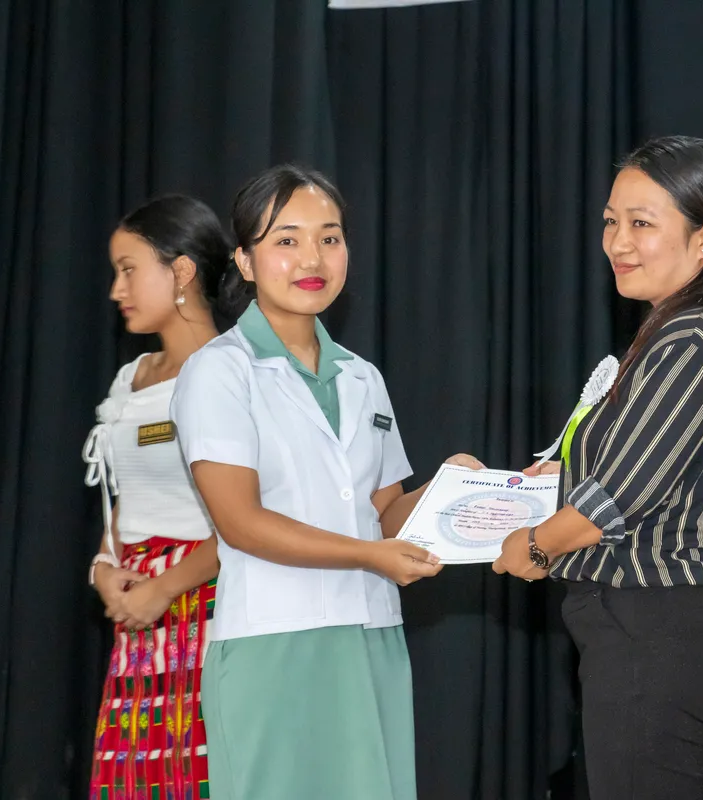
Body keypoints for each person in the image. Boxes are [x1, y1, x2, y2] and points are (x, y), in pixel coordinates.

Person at [170, 164, 481, 799]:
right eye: (285, 239)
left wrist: (452, 492)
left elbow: (384, 515)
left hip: (372, 640)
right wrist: (370, 554)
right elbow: (240, 522)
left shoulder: (363, 376)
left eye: (330, 237)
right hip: (273, 645)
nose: (312, 257)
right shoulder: (219, 371)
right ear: (246, 262)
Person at [492, 135, 703, 799]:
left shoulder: (692, 337)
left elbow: (613, 500)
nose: (619, 241)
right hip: (689, 634)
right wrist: (535, 486)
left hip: (660, 629)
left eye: (643, 224)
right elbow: (636, 472)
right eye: (611, 221)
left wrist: (532, 547)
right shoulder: (698, 329)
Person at [83, 195, 227, 800]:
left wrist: (166, 588)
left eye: (129, 268)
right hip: (139, 607)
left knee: (202, 772)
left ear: (182, 272)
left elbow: (253, 516)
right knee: (138, 778)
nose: (118, 289)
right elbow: (127, 493)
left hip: (207, 600)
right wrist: (103, 568)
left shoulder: (231, 372)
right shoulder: (131, 376)